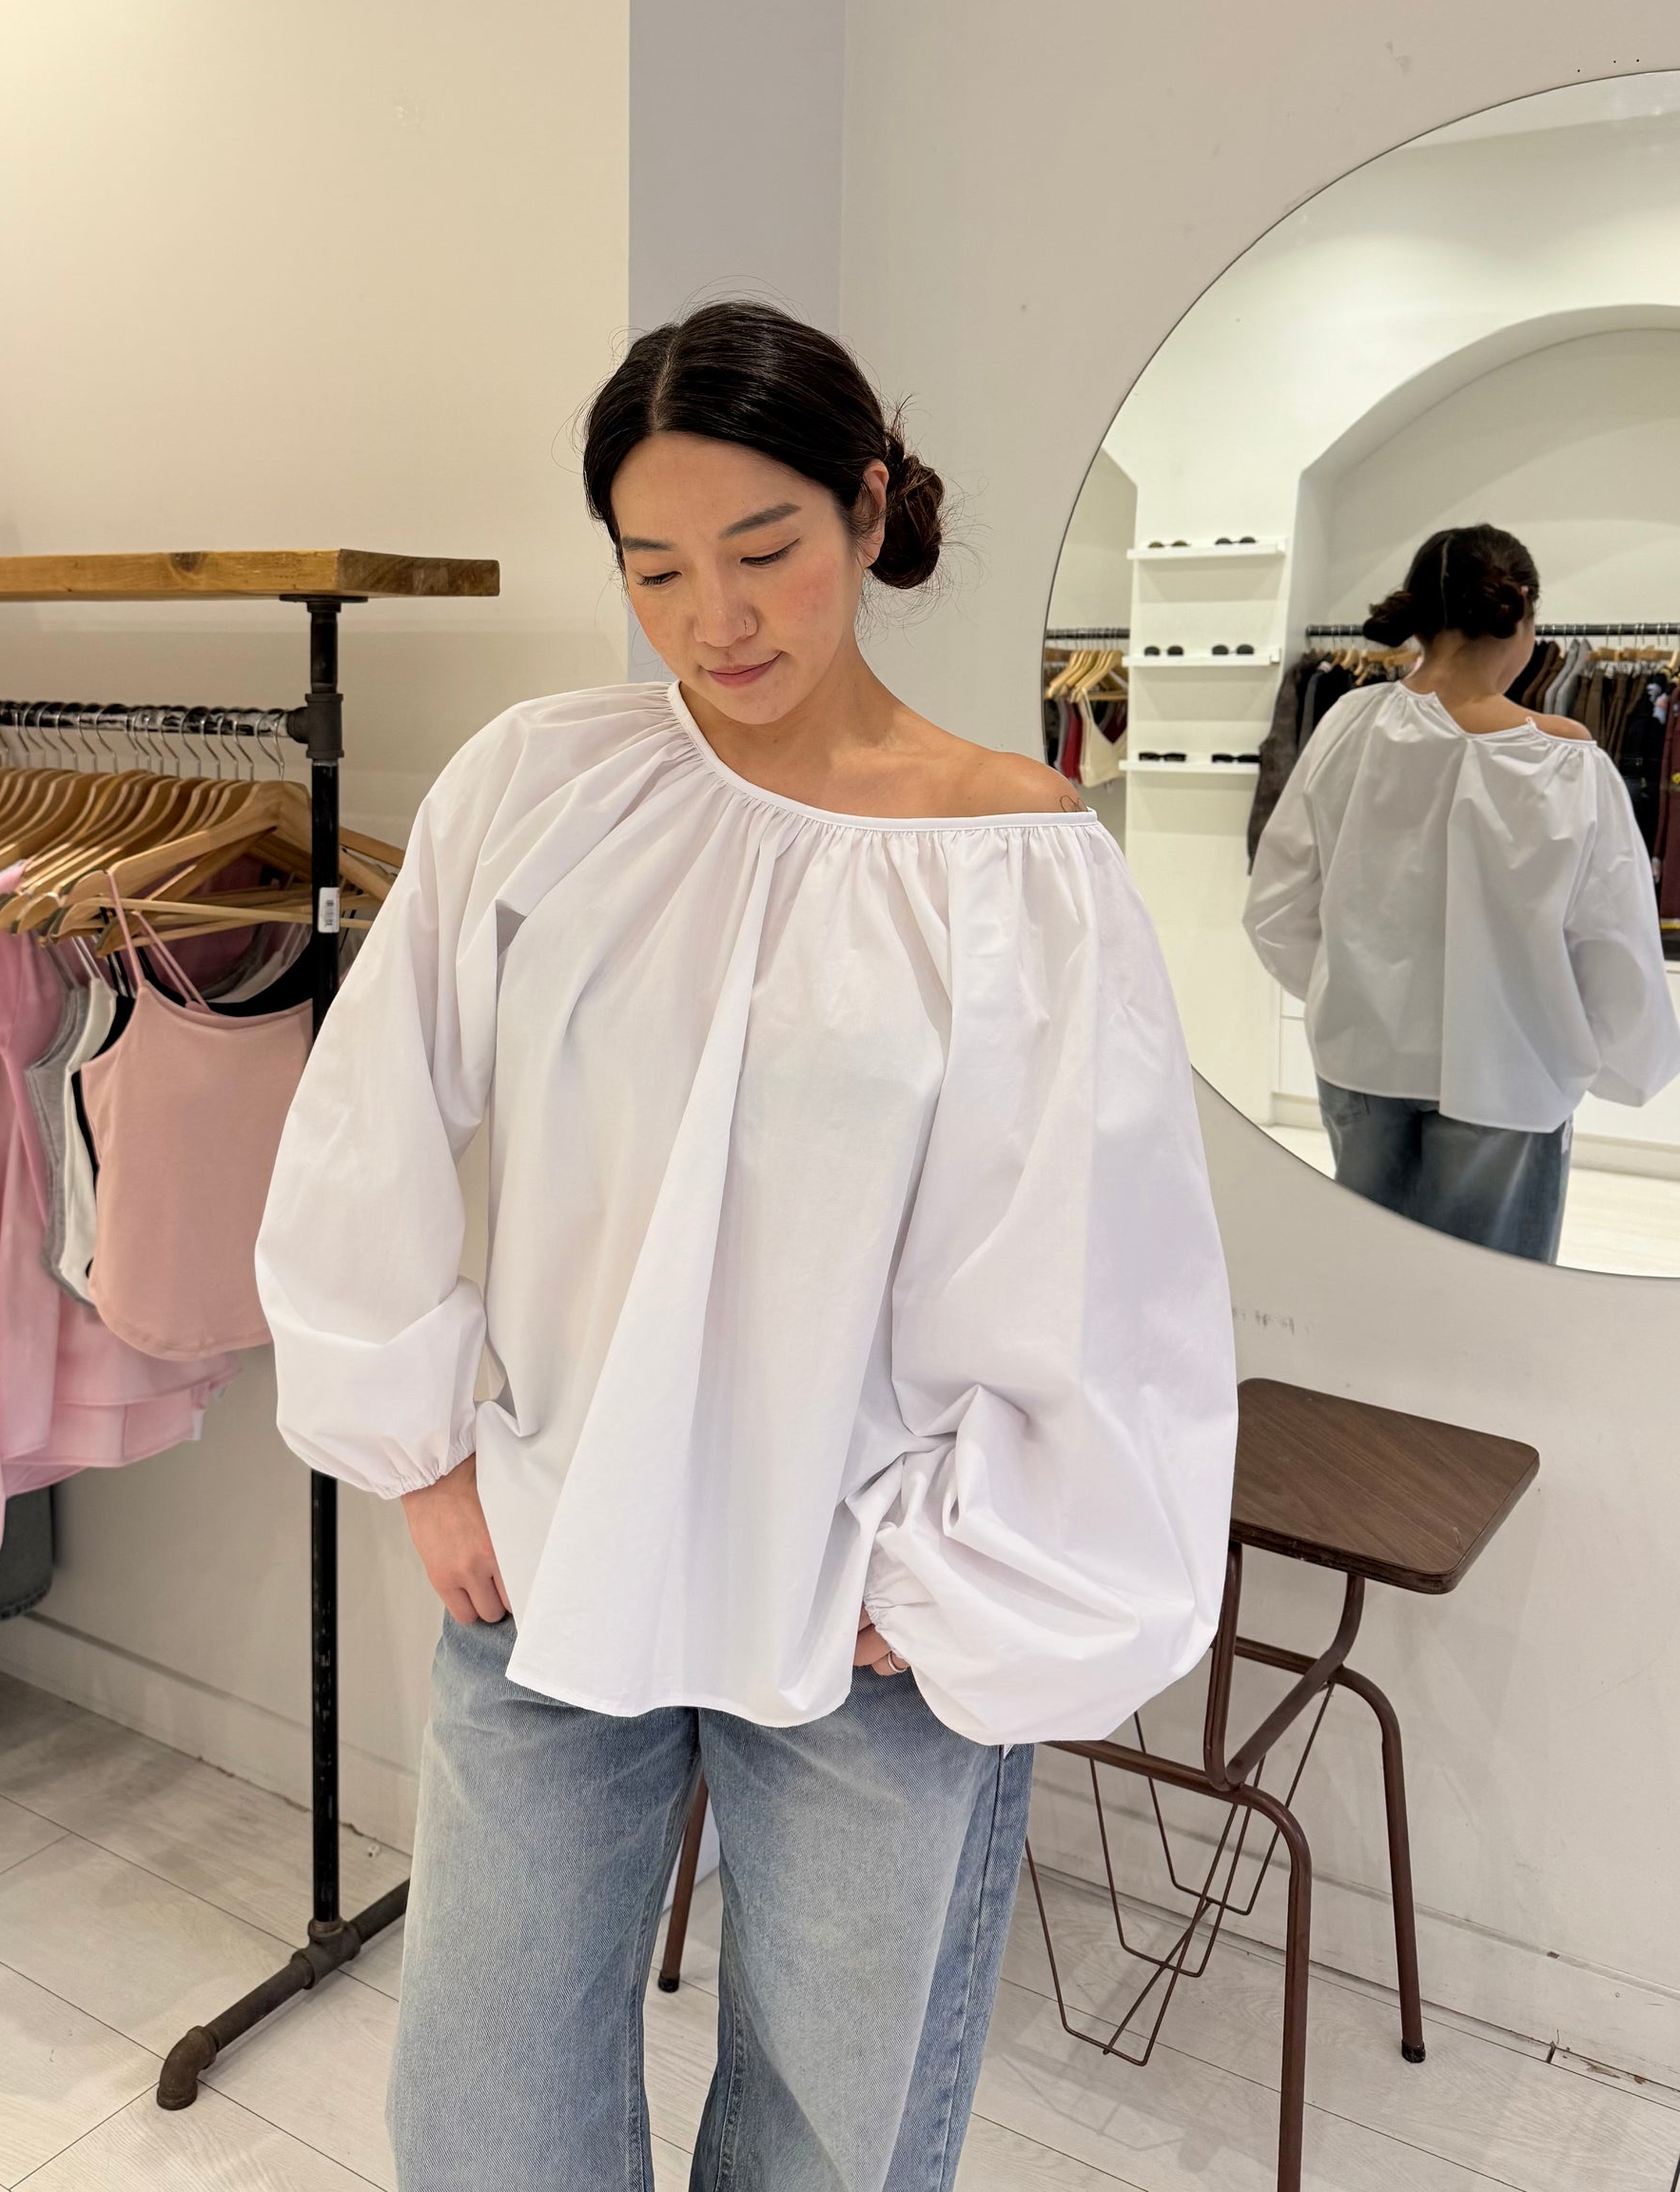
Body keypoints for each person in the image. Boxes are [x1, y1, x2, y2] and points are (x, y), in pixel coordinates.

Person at [258, 300, 1238, 2192]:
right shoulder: (542, 786)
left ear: (866, 511)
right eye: (656, 570)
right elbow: (370, 1112)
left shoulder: (1020, 863)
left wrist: (968, 1576)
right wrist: (423, 1449)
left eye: (765, 549)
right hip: (554, 1552)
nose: (715, 618)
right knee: (484, 2121)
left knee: (827, 2147)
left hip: (868, 1602)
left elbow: (1098, 1280)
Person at [1244, 523, 1680, 1263]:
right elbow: (1613, 944)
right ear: (1521, 615)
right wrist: (1617, 1064)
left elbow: (1277, 905)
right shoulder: (1568, 765)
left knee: (1369, 1277)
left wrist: (1350, 990)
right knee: (1488, 1300)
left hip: (1361, 1061)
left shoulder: (1348, 725)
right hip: (1512, 1072)